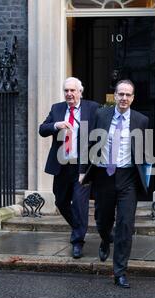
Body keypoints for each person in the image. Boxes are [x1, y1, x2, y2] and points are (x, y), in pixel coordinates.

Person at [82, 80, 149, 288]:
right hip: (104, 176)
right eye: (121, 94)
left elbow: (144, 151)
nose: (124, 98)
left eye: (128, 95)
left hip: (128, 177)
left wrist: (145, 176)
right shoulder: (101, 115)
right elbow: (90, 143)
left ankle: (119, 271)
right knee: (102, 219)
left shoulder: (141, 120)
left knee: (125, 225)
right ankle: (104, 238)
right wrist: (83, 171)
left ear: (133, 98)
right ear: (115, 95)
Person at [39, 77, 100, 259]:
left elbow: (101, 131)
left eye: (73, 90)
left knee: (80, 203)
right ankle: (78, 228)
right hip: (62, 165)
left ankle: (77, 242)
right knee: (61, 202)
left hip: (82, 166)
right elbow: (43, 129)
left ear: (80, 92)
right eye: (66, 90)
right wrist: (56, 125)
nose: (69, 94)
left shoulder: (92, 107)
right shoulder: (57, 109)